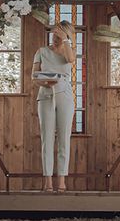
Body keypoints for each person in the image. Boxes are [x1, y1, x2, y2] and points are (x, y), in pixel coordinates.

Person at [31, 21, 76, 193]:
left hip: (64, 95)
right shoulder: (41, 52)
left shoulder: (69, 51)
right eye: (54, 34)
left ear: (65, 35)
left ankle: (62, 180)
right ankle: (48, 181)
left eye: (59, 34)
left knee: (64, 138)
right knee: (46, 139)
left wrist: (66, 41)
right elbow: (34, 77)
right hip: (45, 95)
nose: (55, 37)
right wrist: (45, 82)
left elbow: (71, 60)